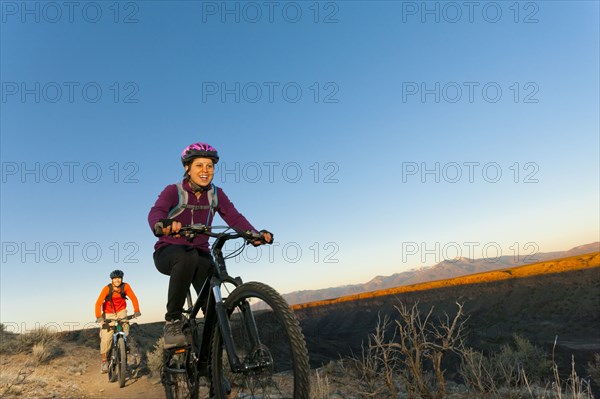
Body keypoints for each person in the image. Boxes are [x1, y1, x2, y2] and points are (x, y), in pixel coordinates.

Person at [148, 142, 272, 349]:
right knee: (187, 256)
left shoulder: (216, 194)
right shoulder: (174, 191)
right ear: (187, 168)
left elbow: (233, 216)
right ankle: (173, 321)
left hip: (200, 255)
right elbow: (156, 212)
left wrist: (253, 234)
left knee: (213, 304)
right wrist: (163, 224)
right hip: (168, 252)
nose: (205, 171)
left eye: (210, 166)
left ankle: (210, 358)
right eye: (199, 165)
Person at [94, 269, 141, 373]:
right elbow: (98, 303)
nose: (117, 280)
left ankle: (123, 345)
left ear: (122, 279)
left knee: (126, 329)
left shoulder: (126, 286)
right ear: (111, 280)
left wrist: (136, 310)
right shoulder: (106, 289)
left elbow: (133, 298)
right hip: (108, 313)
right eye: (115, 278)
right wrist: (99, 318)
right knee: (106, 339)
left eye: (119, 278)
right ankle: (104, 361)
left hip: (121, 311)